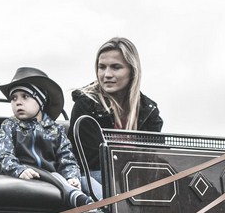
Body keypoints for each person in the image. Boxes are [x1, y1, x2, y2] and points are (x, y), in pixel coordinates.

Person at [69, 37, 163, 198]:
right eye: (102, 67)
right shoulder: (86, 106)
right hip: (97, 180)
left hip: (138, 181)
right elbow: (91, 160)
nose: (107, 74)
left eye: (116, 67)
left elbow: (154, 157)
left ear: (132, 71)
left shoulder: (149, 111)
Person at [0, 67, 92, 207]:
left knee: (87, 182)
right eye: (13, 98)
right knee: (57, 177)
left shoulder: (55, 130)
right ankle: (76, 198)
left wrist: (72, 176)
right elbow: (3, 154)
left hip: (51, 176)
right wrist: (19, 170)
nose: (18, 102)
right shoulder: (10, 125)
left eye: (25, 96)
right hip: (27, 173)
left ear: (41, 100)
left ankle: (105, 206)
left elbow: (67, 158)